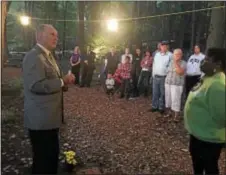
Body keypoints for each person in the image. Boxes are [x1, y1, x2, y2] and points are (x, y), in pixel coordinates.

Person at [22, 24, 75, 174]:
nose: (56, 38)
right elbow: (36, 85)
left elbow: (53, 80)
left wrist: (65, 82)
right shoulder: (34, 56)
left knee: (51, 159)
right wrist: (62, 81)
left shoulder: (49, 56)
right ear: (39, 36)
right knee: (43, 162)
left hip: (50, 119)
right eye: (52, 34)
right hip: (40, 121)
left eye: (57, 35)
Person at [184, 48, 226, 175]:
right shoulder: (207, 77)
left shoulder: (218, 85)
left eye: (208, 59)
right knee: (198, 167)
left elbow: (221, 117)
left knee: (210, 168)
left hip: (209, 139)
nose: (203, 61)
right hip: (198, 135)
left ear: (218, 64)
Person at [150, 41, 172, 114]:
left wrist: (166, 71)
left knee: (162, 93)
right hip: (155, 76)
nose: (163, 47)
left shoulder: (170, 55)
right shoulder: (157, 54)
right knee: (155, 92)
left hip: (164, 77)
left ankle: (161, 107)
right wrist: (153, 75)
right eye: (162, 46)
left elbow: (171, 66)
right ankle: (154, 107)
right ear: (160, 46)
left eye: (165, 46)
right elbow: (154, 65)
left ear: (167, 47)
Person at [164, 49, 186, 121]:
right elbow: (167, 71)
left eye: (178, 54)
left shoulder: (183, 63)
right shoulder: (170, 62)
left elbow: (180, 72)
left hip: (177, 85)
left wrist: (176, 63)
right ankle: (169, 113)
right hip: (168, 83)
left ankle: (176, 116)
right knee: (168, 99)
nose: (176, 56)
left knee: (176, 99)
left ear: (181, 55)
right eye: (175, 54)